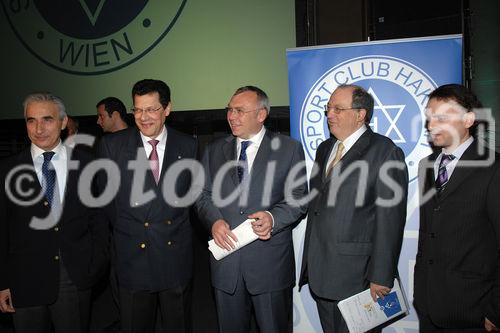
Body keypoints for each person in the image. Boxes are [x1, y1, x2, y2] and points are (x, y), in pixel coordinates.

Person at [196, 86, 308, 333]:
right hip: (226, 267)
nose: (231, 116)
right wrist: (214, 221)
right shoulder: (214, 150)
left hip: (269, 266)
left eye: (239, 110)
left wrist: (272, 217)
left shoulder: (288, 149)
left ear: (261, 115)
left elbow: (299, 197)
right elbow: (202, 194)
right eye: (229, 110)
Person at [299, 84, 408, 333]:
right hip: (321, 272)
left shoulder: (385, 151)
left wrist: (381, 275)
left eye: (338, 109)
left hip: (359, 278)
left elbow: (390, 219)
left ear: (361, 114)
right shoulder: (325, 149)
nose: (329, 114)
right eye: (328, 108)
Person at [0, 92, 109, 333]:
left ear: (63, 122)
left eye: (47, 119)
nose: (38, 128)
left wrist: (95, 265)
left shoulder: (88, 164)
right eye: (31, 120)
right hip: (24, 280)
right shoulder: (7, 169)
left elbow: (99, 220)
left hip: (75, 276)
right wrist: (3, 283)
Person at [98, 79, 197, 333]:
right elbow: (107, 202)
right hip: (133, 260)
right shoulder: (113, 146)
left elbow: (191, 198)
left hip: (175, 258)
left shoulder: (187, 145)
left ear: (167, 109)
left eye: (151, 109)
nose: (143, 117)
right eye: (138, 110)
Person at [414, 84, 500, 332]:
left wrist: (496, 311)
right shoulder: (426, 166)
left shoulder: (493, 167)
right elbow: (429, 232)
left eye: (442, 117)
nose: (431, 126)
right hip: (429, 306)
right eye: (429, 118)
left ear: (469, 119)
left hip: (474, 311)